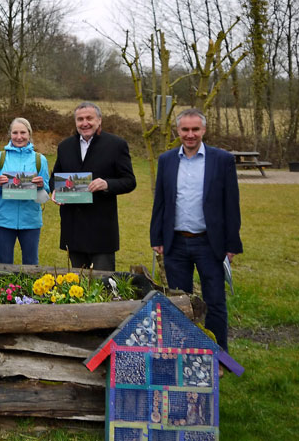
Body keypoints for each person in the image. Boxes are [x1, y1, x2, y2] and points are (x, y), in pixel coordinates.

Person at [150, 108, 242, 351]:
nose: (190, 135)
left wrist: (232, 245)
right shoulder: (167, 160)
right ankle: (183, 350)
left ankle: (218, 354)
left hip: (210, 244)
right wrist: (156, 236)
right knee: (180, 301)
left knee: (214, 300)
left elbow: (231, 204)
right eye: (185, 130)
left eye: (195, 130)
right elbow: (160, 201)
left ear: (203, 130)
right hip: (175, 243)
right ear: (178, 131)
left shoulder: (222, 160)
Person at [49, 102, 136, 271]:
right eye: (80, 119)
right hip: (73, 227)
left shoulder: (116, 145)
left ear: (99, 120)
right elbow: (55, 177)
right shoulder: (64, 146)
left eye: (89, 118)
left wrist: (107, 184)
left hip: (101, 229)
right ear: (75, 122)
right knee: (76, 284)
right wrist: (54, 189)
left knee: (103, 284)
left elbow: (129, 181)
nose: (85, 123)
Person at [0, 118, 50, 265]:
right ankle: (4, 289)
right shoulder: (0, 158)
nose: (19, 136)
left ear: (29, 134)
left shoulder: (39, 159)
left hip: (30, 219)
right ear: (10, 134)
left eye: (23, 132)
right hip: (4, 219)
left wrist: (41, 185)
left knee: (31, 263)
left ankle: (29, 289)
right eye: (15, 132)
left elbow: (47, 190)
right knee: (4, 262)